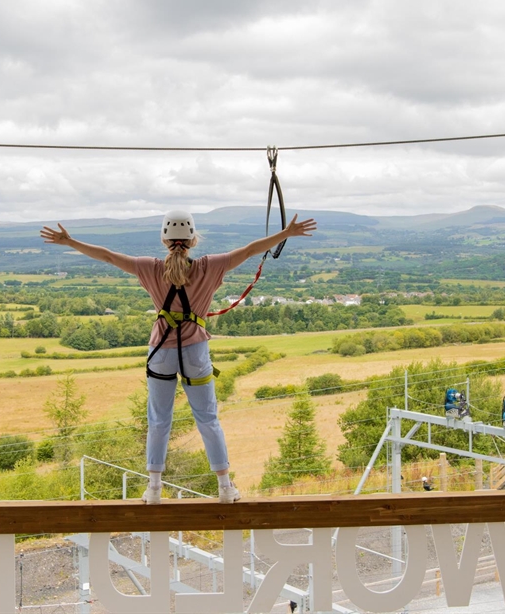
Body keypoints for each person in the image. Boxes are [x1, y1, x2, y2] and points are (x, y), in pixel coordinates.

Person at [40, 210, 317, 504]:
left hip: (161, 351)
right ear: (193, 240)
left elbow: (108, 256)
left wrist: (71, 242)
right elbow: (250, 250)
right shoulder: (211, 266)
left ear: (164, 239)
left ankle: (155, 488)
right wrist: (286, 233)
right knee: (208, 419)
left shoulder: (149, 267)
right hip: (195, 351)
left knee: (159, 420)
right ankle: (225, 487)